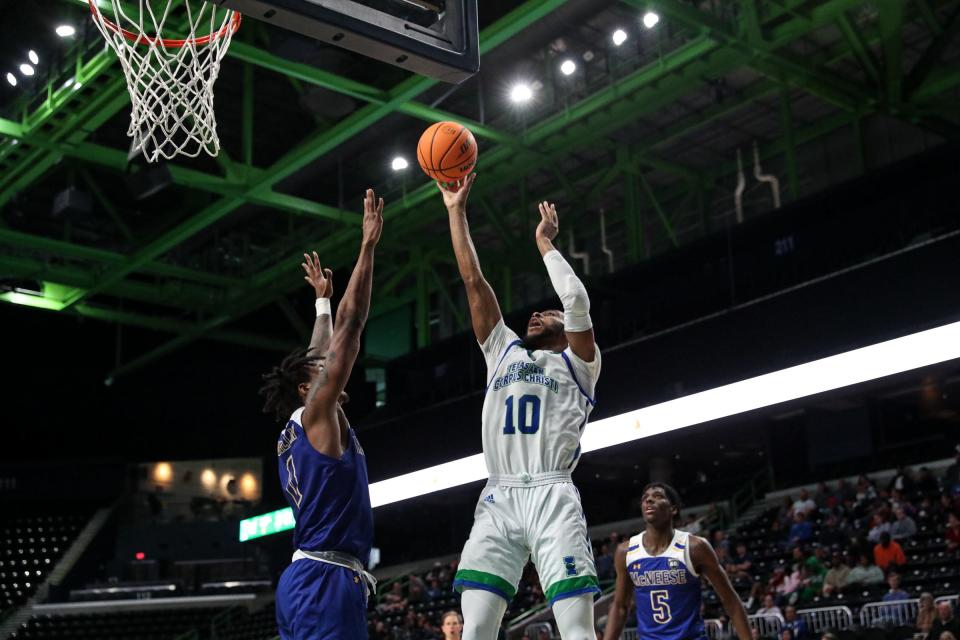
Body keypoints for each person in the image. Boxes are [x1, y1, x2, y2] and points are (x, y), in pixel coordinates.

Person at [439, 176, 601, 640]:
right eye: (535, 313)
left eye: (546, 314)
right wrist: (456, 210)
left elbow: (575, 299)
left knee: (577, 633)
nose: (536, 313)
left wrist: (543, 242)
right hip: (500, 496)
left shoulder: (580, 363)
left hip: (553, 494)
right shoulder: (502, 351)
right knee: (475, 633)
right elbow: (473, 279)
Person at [261, 189, 384, 640]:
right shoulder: (316, 413)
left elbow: (319, 349)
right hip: (324, 581)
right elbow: (350, 330)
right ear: (306, 387)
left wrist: (320, 303)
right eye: (323, 369)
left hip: (303, 579)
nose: (331, 365)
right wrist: (367, 246)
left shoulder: (302, 423)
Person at [603, 483, 752, 640]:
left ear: (673, 509)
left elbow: (731, 601)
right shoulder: (625, 552)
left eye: (658, 497)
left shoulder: (695, 547)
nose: (649, 501)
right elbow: (620, 607)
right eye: (645, 498)